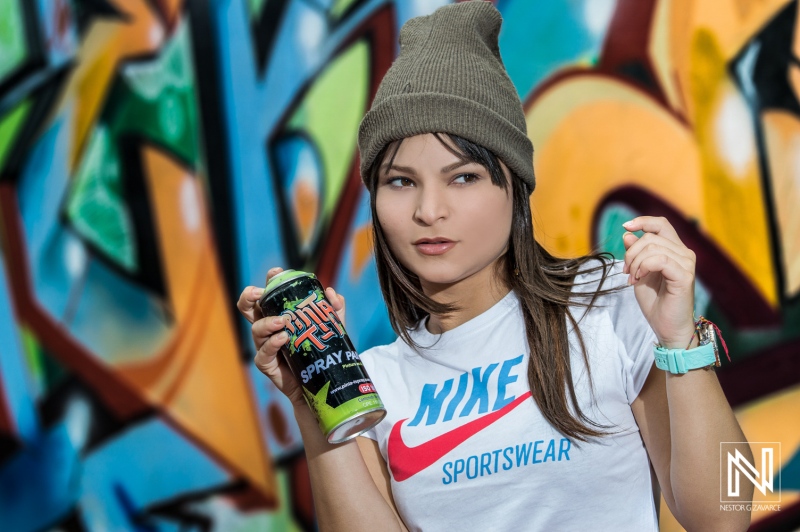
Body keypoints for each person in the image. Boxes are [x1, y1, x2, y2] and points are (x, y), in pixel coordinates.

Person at [237, 2, 753, 530]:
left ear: (515, 187)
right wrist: (314, 403)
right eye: (400, 181)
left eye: (463, 177)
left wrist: (679, 342)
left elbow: (731, 512)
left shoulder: (605, 305)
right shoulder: (379, 381)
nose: (428, 210)